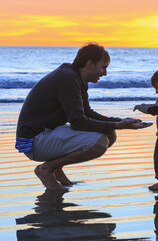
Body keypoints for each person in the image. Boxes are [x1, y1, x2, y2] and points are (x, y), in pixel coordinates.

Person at [15, 43, 151, 190]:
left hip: (45, 133)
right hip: (34, 142)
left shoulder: (74, 76)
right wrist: (119, 125)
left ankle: (56, 168)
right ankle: (46, 169)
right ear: (89, 64)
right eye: (103, 67)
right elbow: (78, 122)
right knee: (99, 143)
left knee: (109, 134)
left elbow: (87, 113)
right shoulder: (68, 78)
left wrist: (120, 122)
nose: (105, 73)